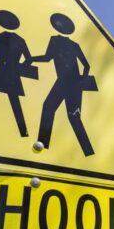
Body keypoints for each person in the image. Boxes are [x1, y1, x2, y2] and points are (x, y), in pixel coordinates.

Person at [29, 13, 97, 156]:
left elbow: (48, 58)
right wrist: (80, 80)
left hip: (68, 82)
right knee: (60, 111)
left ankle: (44, 144)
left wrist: (31, 59)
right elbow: (86, 66)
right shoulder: (66, 43)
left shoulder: (61, 42)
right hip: (69, 82)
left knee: (62, 112)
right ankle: (44, 145)